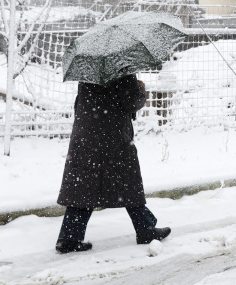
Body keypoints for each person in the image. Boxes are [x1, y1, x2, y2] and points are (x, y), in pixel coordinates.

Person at [55, 74, 171, 253]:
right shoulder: (122, 71)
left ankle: (69, 237)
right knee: (128, 184)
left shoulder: (88, 71)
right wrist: (140, 89)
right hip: (113, 138)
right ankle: (146, 230)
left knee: (85, 186)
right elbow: (132, 103)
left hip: (86, 137)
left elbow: (78, 105)